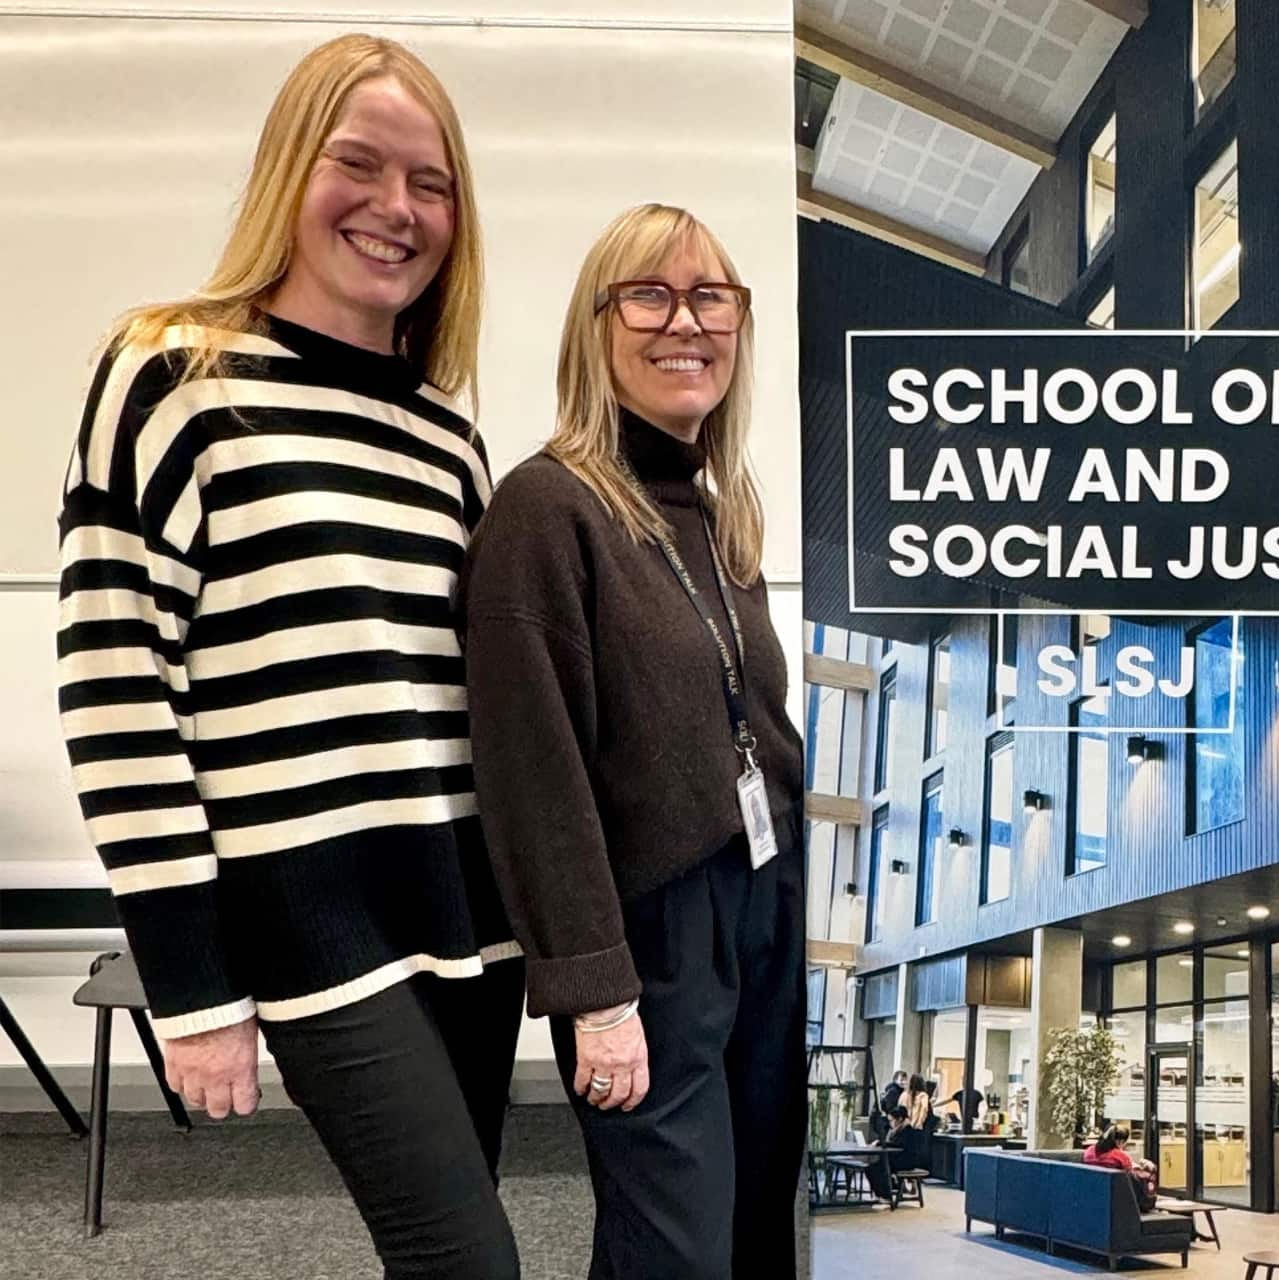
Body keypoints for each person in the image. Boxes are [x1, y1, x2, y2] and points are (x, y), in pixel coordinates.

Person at [54, 34, 523, 1279]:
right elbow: (117, 693)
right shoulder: (171, 375)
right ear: (286, 172)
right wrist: (191, 984)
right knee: (469, 1259)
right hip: (308, 920)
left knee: (448, 1244)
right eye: (357, 164)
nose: (395, 208)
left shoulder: (447, 438)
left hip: (464, 916)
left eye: (431, 183)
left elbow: (467, 707)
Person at [462, 203, 805, 1280]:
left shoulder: (718, 517)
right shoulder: (546, 509)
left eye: (711, 296)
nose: (685, 321)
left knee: (757, 1226)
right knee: (676, 1248)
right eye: (648, 294)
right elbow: (534, 773)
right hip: (652, 933)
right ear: (595, 326)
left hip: (765, 908)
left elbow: (757, 728)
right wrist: (595, 993)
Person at [1083, 1124, 1157, 1210]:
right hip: (1118, 1195)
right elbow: (1130, 1175)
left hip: (1094, 1192)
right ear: (1119, 1142)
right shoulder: (1119, 1156)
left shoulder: (1089, 1151)